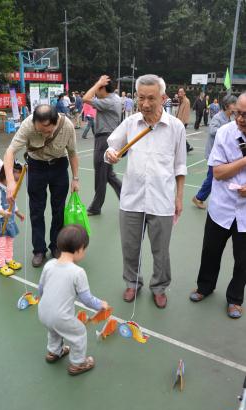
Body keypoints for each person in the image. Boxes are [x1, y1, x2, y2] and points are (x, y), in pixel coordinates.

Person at [105, 74, 187, 308]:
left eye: (151, 98)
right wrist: (110, 155)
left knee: (161, 250)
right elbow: (111, 149)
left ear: (163, 98)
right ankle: (132, 282)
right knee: (130, 247)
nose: (146, 104)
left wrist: (179, 198)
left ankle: (159, 286)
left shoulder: (176, 127)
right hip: (131, 199)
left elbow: (180, 166)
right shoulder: (130, 123)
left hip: (162, 200)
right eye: (141, 98)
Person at [189, 93, 246, 319]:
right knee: (211, 251)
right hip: (222, 206)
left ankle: (235, 299)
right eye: (238, 113)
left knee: (243, 260)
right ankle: (205, 287)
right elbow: (219, 173)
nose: (240, 118)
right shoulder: (225, 133)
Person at [3, 104, 79, 268]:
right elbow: (10, 152)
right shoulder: (28, 125)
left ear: (55, 121)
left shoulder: (67, 126)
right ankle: (39, 250)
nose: (44, 134)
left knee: (58, 210)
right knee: (36, 211)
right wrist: (10, 182)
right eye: (40, 131)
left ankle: (56, 245)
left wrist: (76, 178)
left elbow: (72, 152)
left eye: (47, 131)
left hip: (59, 166)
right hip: (36, 167)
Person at [38, 224, 109, 376]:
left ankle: (53, 352)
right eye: (85, 249)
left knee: (54, 329)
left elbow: (41, 288)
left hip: (43, 312)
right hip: (60, 317)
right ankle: (78, 363)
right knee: (79, 332)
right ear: (79, 249)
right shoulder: (78, 272)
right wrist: (100, 305)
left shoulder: (49, 265)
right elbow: (86, 299)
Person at [83, 75, 122, 216]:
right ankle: (127, 198)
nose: (96, 90)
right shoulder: (115, 99)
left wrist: (98, 83)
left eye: (98, 87)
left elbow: (86, 98)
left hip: (104, 139)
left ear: (103, 88)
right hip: (109, 138)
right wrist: (98, 84)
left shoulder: (108, 101)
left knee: (100, 173)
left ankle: (95, 207)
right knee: (109, 174)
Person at [192, 94, 237, 209]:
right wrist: (227, 131)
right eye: (234, 104)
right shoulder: (218, 117)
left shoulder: (231, 117)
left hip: (225, 154)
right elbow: (212, 131)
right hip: (214, 154)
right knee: (212, 177)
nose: (236, 106)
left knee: (219, 177)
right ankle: (199, 198)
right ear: (227, 106)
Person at [176, 87, 193, 153]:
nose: (179, 93)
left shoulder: (186, 101)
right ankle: (187, 147)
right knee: (180, 135)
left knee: (179, 135)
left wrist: (182, 123)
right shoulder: (181, 100)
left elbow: (185, 113)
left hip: (182, 122)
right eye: (178, 92)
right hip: (178, 121)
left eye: (180, 92)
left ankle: (187, 147)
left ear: (184, 93)